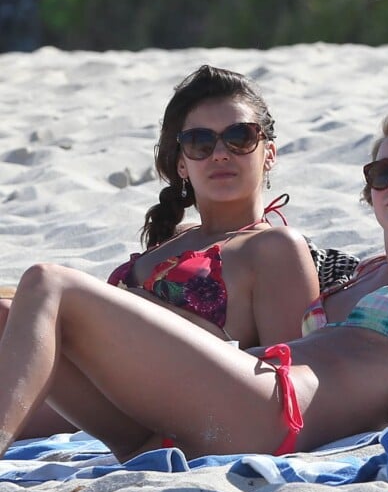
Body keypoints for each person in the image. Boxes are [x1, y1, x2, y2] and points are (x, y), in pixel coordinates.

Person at [0, 105, 388, 461]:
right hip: (209, 420)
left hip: (275, 413)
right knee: (36, 316)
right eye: (382, 173)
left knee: (50, 282)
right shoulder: (362, 274)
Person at [0, 64, 319, 439]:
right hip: (110, 411)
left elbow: (293, 377)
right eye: (201, 142)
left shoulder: (275, 247)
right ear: (182, 163)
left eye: (239, 137)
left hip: (195, 415)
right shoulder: (174, 240)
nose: (220, 154)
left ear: (269, 153)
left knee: (46, 281)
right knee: (5, 311)